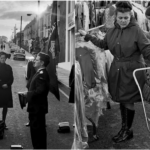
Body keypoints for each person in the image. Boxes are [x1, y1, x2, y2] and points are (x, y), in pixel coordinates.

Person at [79, 1, 150, 143]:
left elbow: (147, 51)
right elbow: (103, 44)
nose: (123, 21)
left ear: (131, 16)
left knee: (128, 100)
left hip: (132, 71)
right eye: (120, 18)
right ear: (116, 17)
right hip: (117, 70)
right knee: (122, 100)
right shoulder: (112, 31)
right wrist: (87, 36)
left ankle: (127, 130)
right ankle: (124, 129)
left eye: (126, 18)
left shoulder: (137, 31)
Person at [24, 52, 50, 149]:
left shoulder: (42, 74)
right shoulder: (39, 72)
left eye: (37, 59)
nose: (34, 61)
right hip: (36, 108)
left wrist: (27, 94)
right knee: (37, 134)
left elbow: (40, 91)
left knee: (37, 135)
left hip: (37, 109)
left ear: (42, 62)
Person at [0, 52, 14, 129]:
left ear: (6, 59)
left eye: (4, 58)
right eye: (1, 58)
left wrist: (8, 84)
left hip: (6, 90)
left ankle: (3, 122)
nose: (3, 59)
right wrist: (1, 84)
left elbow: (11, 78)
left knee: (5, 107)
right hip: (0, 89)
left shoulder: (9, 67)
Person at [25, 51, 37, 127]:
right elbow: (28, 75)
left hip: (39, 85)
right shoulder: (30, 63)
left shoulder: (41, 64)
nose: (35, 56)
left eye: (37, 54)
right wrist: (30, 83)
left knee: (40, 103)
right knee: (31, 103)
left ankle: (41, 121)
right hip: (31, 85)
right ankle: (30, 121)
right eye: (34, 54)